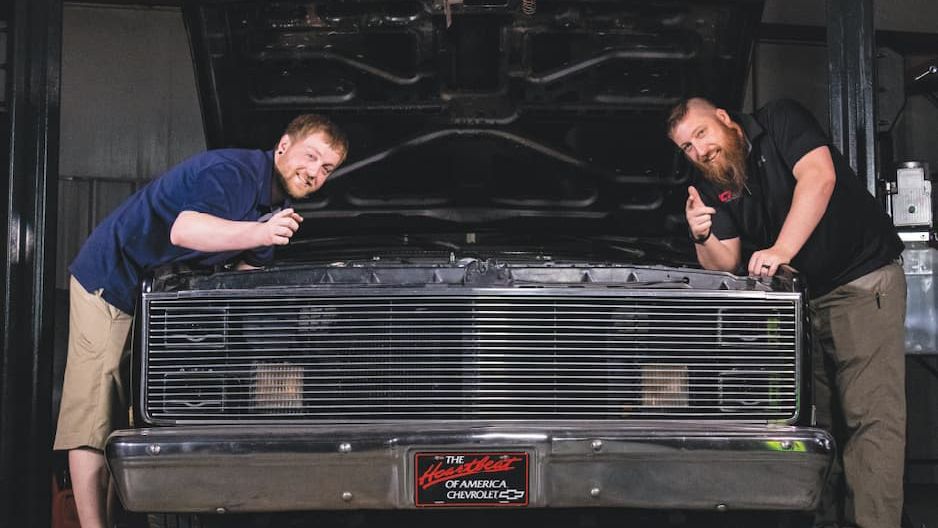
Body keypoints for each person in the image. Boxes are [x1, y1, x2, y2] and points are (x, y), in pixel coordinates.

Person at [53, 114, 348, 528]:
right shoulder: (234, 173)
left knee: (130, 417)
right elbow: (184, 230)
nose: (315, 172)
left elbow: (246, 283)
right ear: (283, 146)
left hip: (157, 303)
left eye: (327, 168)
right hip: (112, 281)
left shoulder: (275, 209)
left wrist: (294, 348)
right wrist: (260, 234)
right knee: (94, 414)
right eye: (311, 156)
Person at [667, 97, 906, 528]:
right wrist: (702, 235)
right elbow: (725, 261)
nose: (699, 151)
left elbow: (819, 176)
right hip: (802, 305)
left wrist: (781, 250)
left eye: (701, 133)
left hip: (860, 282)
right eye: (687, 147)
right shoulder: (710, 182)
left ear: (724, 118)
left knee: (870, 420)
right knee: (816, 428)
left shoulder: (780, 120)